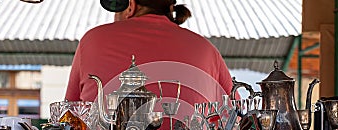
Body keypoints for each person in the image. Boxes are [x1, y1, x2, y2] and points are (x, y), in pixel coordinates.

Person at [65, 0, 233, 109]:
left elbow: (69, 114)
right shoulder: (205, 49)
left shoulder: (93, 40)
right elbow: (235, 123)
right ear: (171, 7)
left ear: (131, 5)